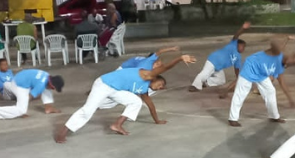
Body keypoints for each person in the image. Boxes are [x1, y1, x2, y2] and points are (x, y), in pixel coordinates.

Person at [55, 54, 197, 143]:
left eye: (161, 87)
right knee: (88, 110)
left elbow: (151, 106)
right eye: (161, 84)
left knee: (136, 101)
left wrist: (157, 120)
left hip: (115, 90)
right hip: (103, 84)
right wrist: (179, 58)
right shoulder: (146, 74)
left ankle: (117, 124)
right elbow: (165, 68)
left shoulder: (143, 89)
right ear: (155, 78)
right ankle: (63, 132)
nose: (160, 87)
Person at [227, 36, 295, 127]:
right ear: (289, 56)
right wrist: (286, 39)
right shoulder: (276, 53)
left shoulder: (280, 68)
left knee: (270, 91)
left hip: (261, 74)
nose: (292, 62)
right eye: (293, 59)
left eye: (294, 63)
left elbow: (283, 84)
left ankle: (274, 116)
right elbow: (273, 42)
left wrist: (290, 99)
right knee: (241, 93)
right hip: (250, 67)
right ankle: (232, 119)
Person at [189, 22, 250, 91]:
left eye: (244, 47)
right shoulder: (232, 45)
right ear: (237, 44)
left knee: (221, 80)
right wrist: (243, 28)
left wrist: (238, 79)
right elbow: (236, 35)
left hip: (219, 67)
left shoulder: (238, 57)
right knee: (204, 74)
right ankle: (194, 86)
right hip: (213, 61)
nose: (243, 48)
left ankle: (206, 82)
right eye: (243, 46)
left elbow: (237, 69)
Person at [0, 69, 64, 120]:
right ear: (52, 85)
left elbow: (44, 86)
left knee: (47, 89)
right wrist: (24, 107)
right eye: (54, 88)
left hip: (21, 78)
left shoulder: (47, 76)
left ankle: (48, 108)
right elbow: (29, 97)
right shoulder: (40, 85)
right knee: (21, 110)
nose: (53, 89)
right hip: (19, 85)